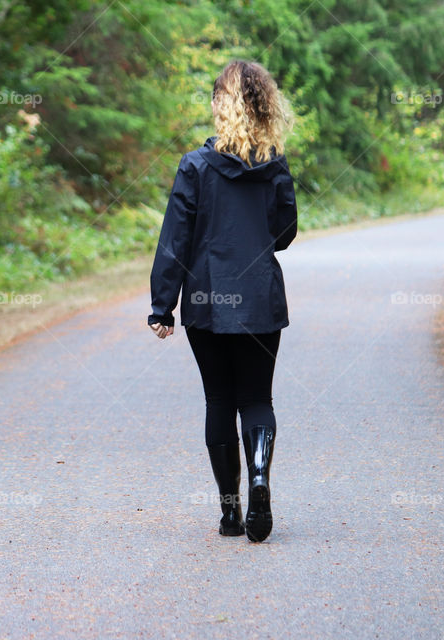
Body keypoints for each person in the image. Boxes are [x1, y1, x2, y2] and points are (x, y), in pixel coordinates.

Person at [147, 60, 297, 543]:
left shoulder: (194, 166)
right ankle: (259, 479)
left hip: (208, 301)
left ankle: (231, 512)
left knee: (219, 400)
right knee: (257, 399)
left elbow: (175, 239)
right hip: (259, 301)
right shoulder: (275, 164)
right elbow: (285, 233)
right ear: (263, 107)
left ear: (219, 105)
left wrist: (161, 305)